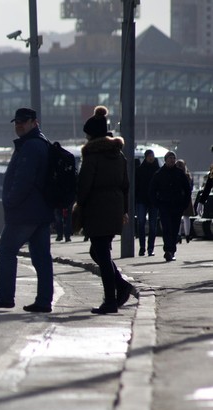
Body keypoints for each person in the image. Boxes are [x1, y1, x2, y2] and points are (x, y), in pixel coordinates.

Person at [0, 108, 54, 313]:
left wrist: (10, 201)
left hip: (26, 212)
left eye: (24, 121)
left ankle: (5, 297)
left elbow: (23, 180)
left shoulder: (30, 146)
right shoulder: (41, 143)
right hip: (41, 211)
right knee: (41, 257)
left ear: (35, 122)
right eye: (17, 122)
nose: (19, 125)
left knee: (6, 249)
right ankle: (43, 300)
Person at [76, 106, 137, 314]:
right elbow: (126, 185)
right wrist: (125, 210)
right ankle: (121, 286)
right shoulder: (118, 155)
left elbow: (84, 186)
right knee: (99, 251)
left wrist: (79, 205)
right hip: (115, 208)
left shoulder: (92, 156)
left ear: (91, 135)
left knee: (101, 254)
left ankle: (111, 300)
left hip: (97, 208)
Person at [150, 151, 191, 262]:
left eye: (173, 158)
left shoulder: (179, 173)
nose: (172, 160)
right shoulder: (159, 174)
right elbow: (152, 190)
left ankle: (172, 250)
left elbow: (187, 189)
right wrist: (157, 204)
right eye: (170, 158)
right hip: (164, 205)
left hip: (177, 205)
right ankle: (168, 250)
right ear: (165, 160)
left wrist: (185, 203)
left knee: (174, 228)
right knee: (167, 228)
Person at [135, 149, 160, 256]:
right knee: (141, 223)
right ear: (145, 157)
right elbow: (136, 186)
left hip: (153, 201)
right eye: (149, 155)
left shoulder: (157, 170)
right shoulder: (140, 170)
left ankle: (150, 248)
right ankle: (142, 247)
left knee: (153, 225)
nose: (151, 157)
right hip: (142, 200)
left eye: (152, 155)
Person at [175, 159, 195, 243]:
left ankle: (178, 235)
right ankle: (187, 235)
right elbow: (191, 188)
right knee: (187, 217)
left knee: (178, 218)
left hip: (177, 198)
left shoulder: (175, 175)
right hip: (187, 198)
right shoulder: (188, 176)